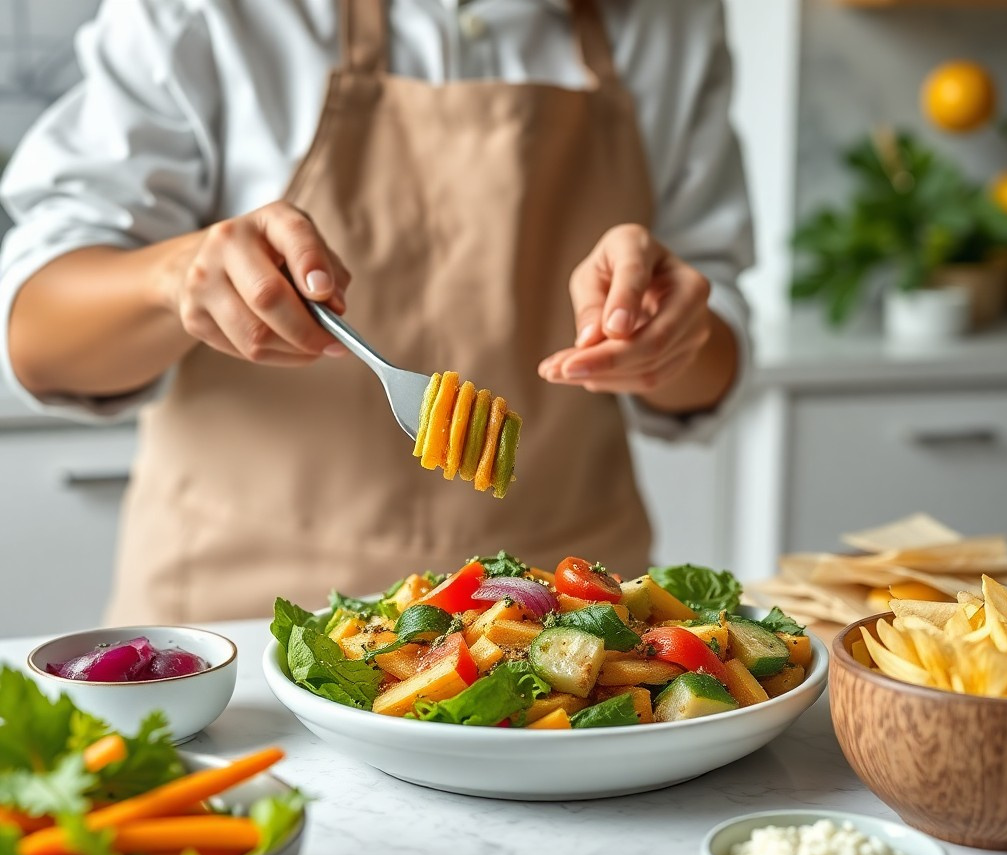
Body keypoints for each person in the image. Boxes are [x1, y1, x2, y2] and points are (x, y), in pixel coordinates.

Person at [0, 0, 753, 623]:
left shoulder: (670, 20)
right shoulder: (204, 15)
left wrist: (667, 337)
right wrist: (173, 277)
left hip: (571, 617)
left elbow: (711, 372)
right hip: (245, 622)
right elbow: (38, 335)